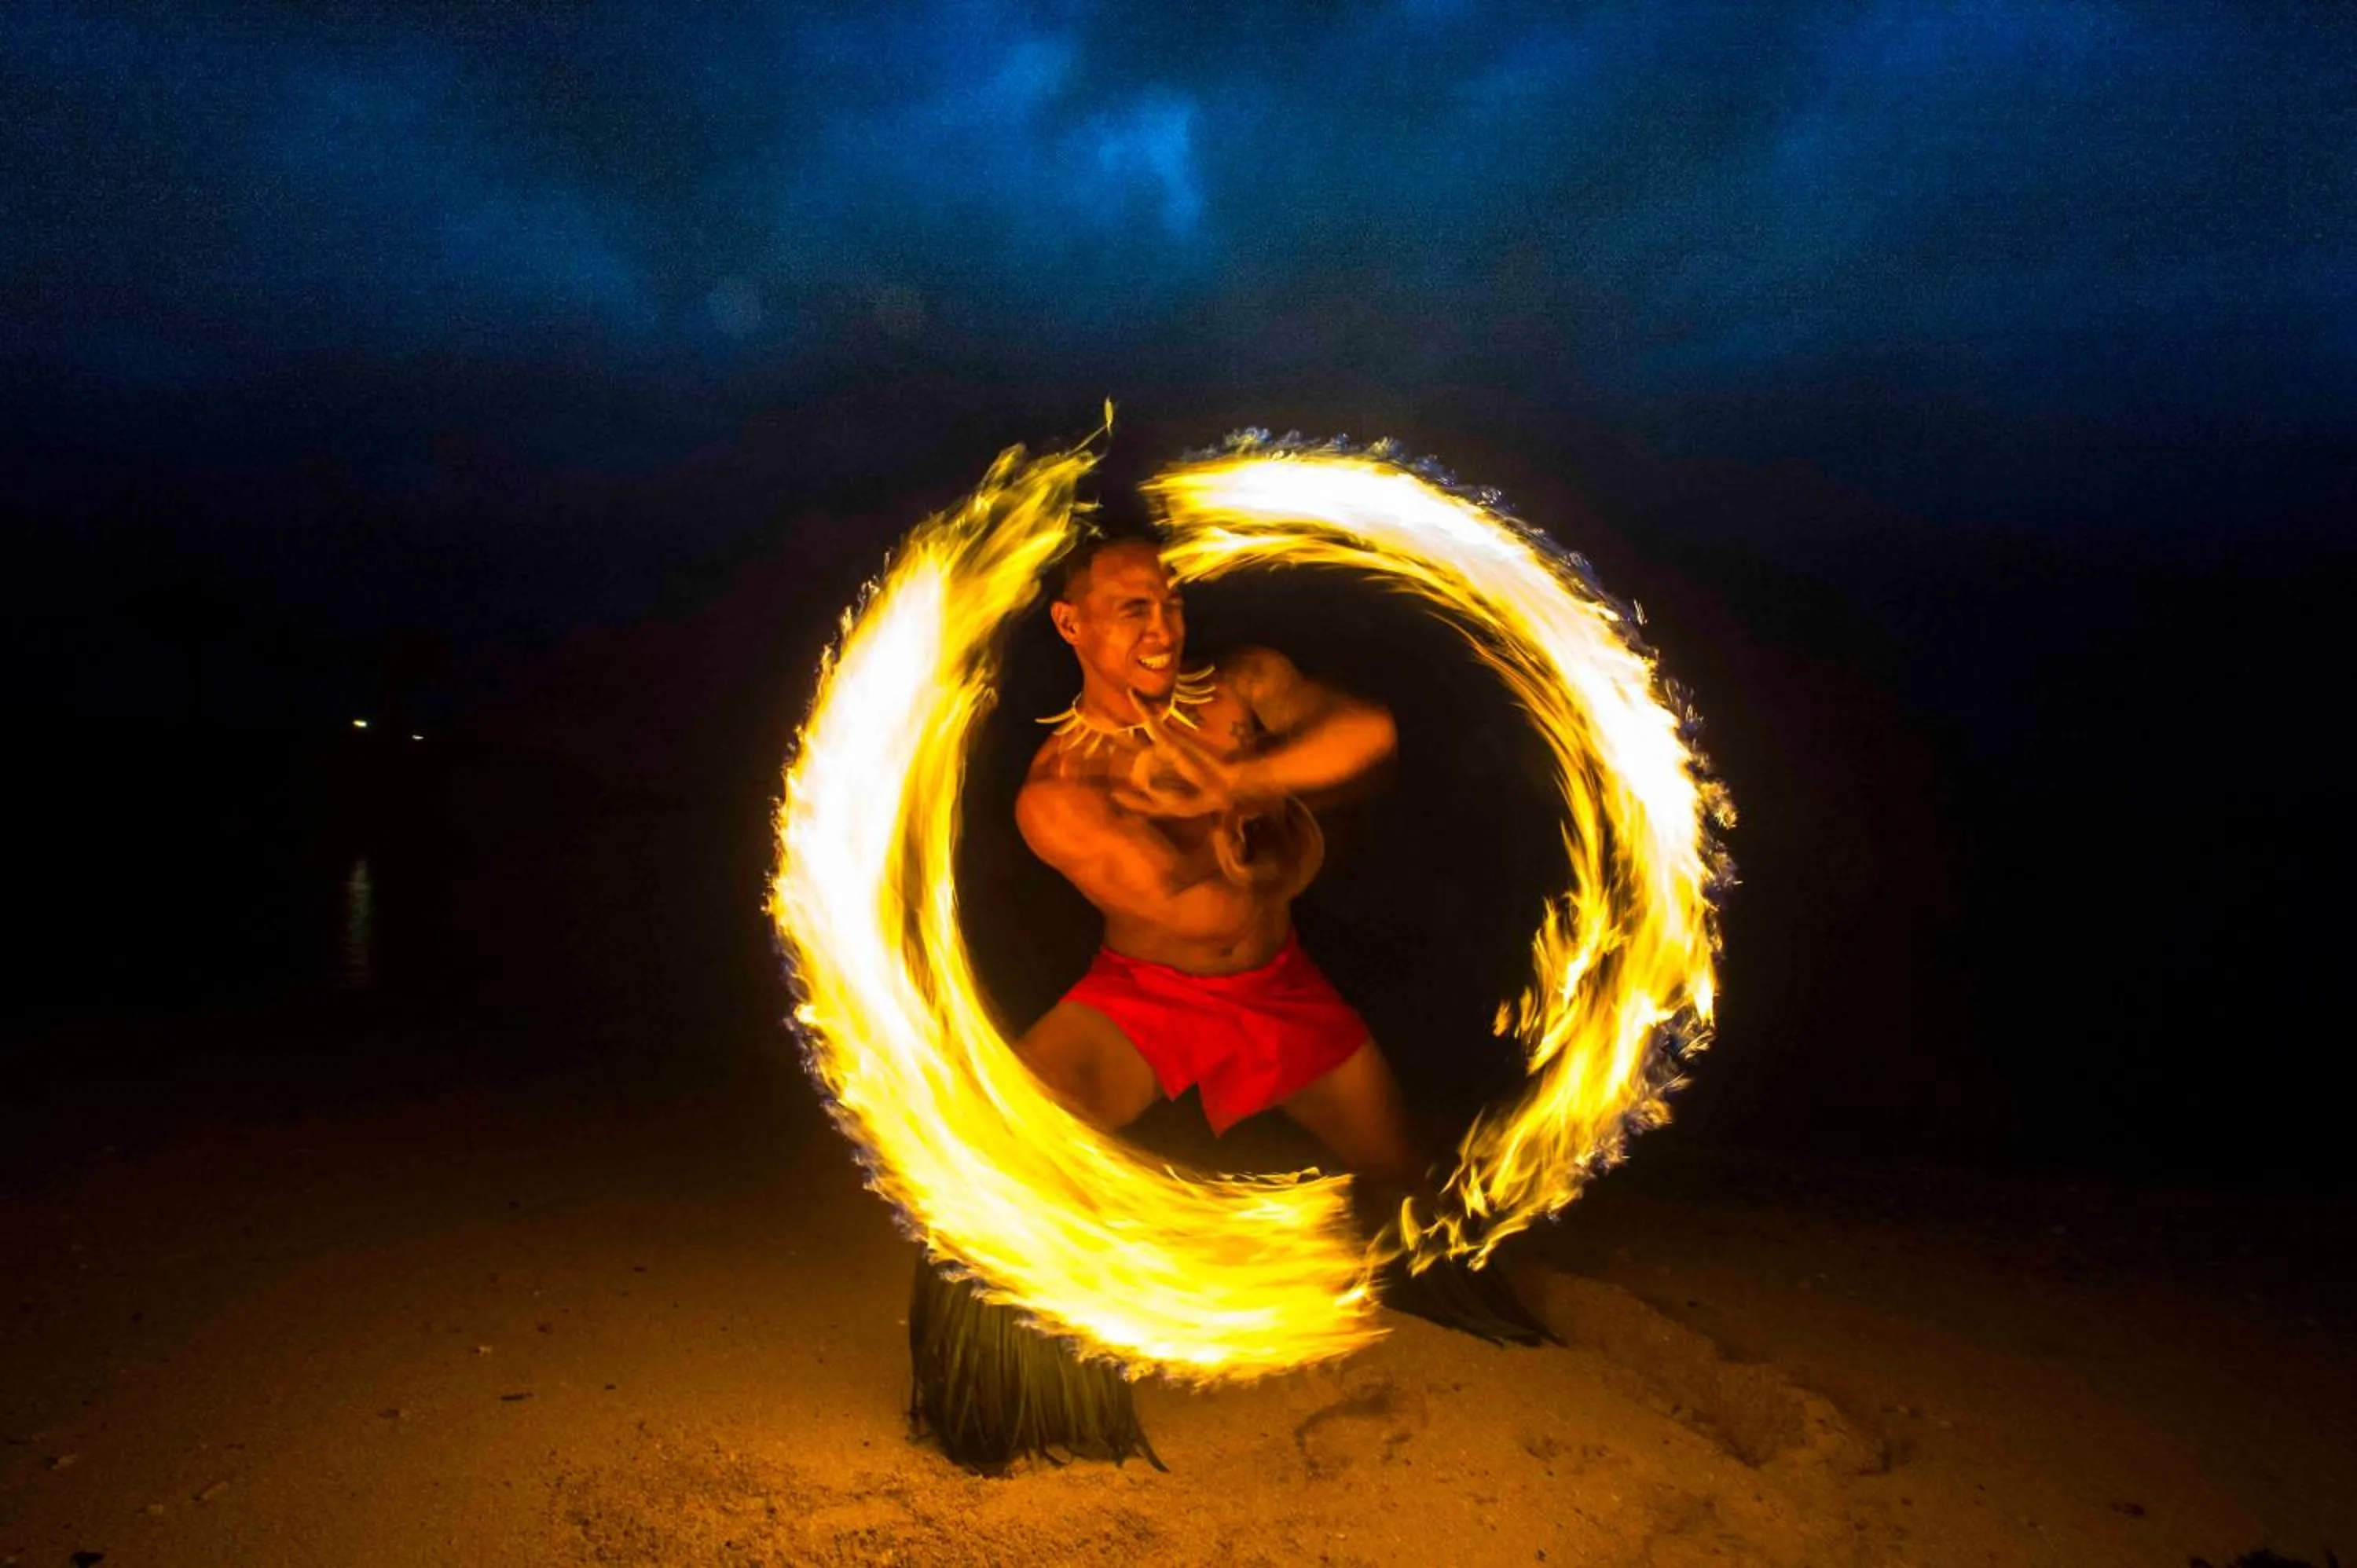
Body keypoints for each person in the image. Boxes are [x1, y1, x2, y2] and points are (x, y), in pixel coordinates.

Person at [1013, 532, 1421, 1179]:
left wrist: (1239, 782)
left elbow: (1370, 733)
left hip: (1283, 987)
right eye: (1132, 610)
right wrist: (1284, 823)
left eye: (1171, 604)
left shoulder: (1241, 684)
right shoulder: (1061, 788)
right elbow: (1214, 915)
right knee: (1005, 1148)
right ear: (1070, 623)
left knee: (1409, 1183)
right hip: (1147, 1000)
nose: (1162, 631)